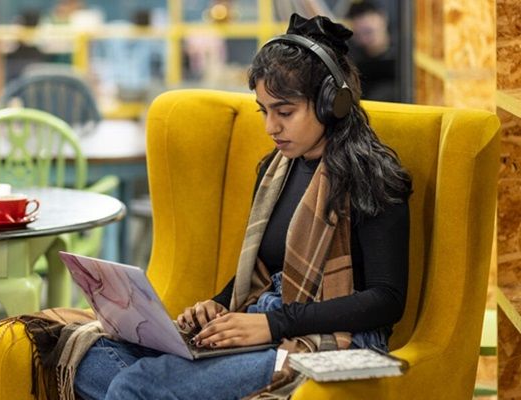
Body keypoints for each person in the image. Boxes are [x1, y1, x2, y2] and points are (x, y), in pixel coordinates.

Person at [73, 12, 412, 400]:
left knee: (136, 384)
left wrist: (274, 324)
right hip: (263, 319)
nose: (271, 127)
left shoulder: (372, 175)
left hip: (330, 341)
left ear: (331, 104)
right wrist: (216, 306)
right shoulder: (275, 170)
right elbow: (264, 270)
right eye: (264, 111)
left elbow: (386, 301)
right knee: (93, 359)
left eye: (284, 112)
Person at [346, 1, 399, 101]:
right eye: (359, 35)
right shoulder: (353, 61)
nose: (365, 40)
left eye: (368, 31)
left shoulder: (405, 56)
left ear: (383, 18)